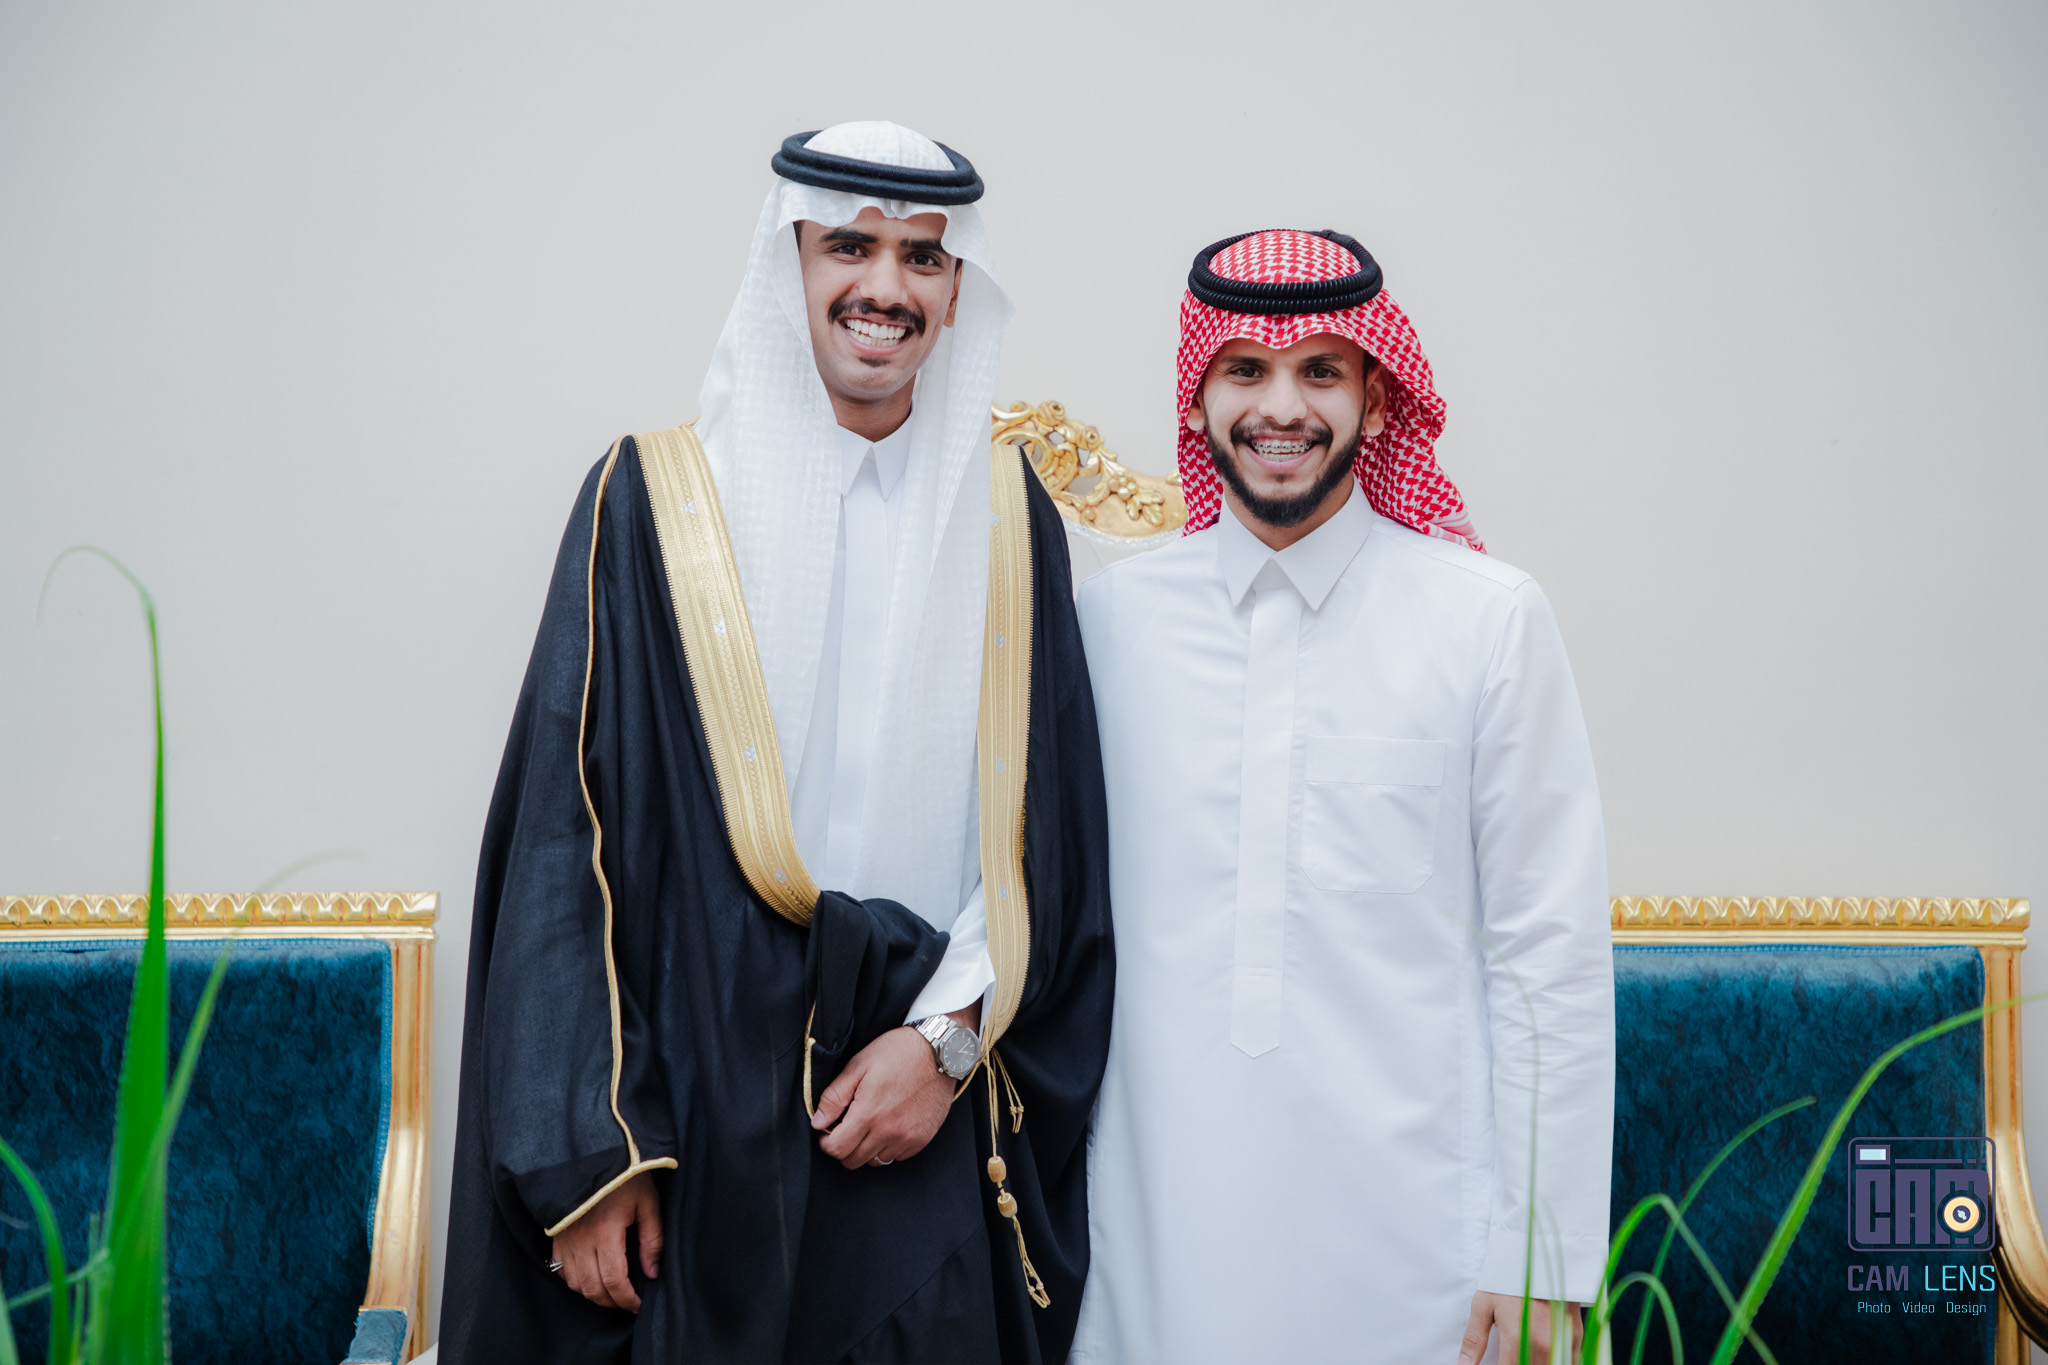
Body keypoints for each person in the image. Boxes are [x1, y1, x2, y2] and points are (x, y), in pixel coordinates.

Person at [438, 123, 1113, 1364]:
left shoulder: (1009, 516)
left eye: (923, 257)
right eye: (848, 246)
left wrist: (945, 1046)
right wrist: (592, 1152)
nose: (885, 287)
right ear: (788, 261)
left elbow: (1047, 836)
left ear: (955, 290)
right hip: (692, 1107)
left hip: (915, 1097)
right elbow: (562, 836)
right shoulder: (650, 500)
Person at [1069, 229, 1614, 1365]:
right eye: (1246, 370)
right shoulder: (1112, 622)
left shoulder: (1486, 619)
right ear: (1199, 395)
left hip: (1424, 1254)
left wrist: (1541, 1258)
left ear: (1375, 394)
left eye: (1319, 370)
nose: (1282, 407)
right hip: (1158, 1241)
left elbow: (1548, 956)